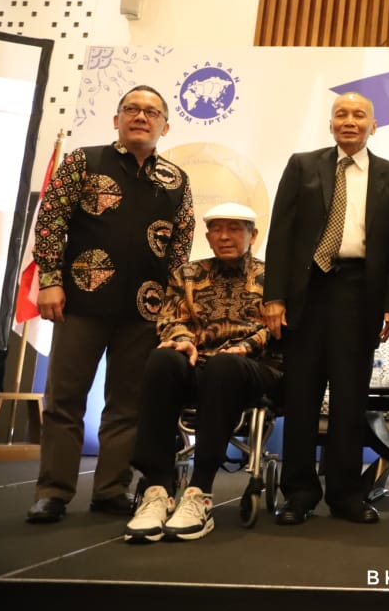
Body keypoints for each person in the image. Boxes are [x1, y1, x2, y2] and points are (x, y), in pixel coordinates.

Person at [26, 86, 194, 524]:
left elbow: (180, 247)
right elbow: (51, 222)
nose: (142, 116)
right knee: (65, 399)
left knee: (128, 404)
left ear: (165, 125)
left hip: (146, 309)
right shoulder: (84, 160)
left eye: (151, 111)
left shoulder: (177, 179)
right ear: (117, 118)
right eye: (132, 109)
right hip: (79, 300)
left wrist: (173, 308)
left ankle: (111, 490)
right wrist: (49, 281)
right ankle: (53, 492)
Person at [263, 91, 389, 525]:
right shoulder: (303, 165)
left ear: (373, 125)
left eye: (359, 114)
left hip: (357, 293)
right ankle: (299, 493)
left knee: (349, 399)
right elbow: (281, 234)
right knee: (302, 396)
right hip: (305, 294)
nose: (350, 121)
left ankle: (347, 495)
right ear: (330, 124)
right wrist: (273, 297)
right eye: (341, 114)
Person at [123, 202, 282, 542]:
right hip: (201, 365)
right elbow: (170, 318)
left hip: (253, 369)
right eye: (218, 230)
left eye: (235, 229)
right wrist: (181, 340)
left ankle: (200, 492)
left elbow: (282, 326)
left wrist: (246, 347)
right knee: (163, 359)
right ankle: (157, 490)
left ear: (253, 235)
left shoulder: (274, 276)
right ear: (208, 236)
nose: (225, 236)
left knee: (225, 365)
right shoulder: (187, 274)